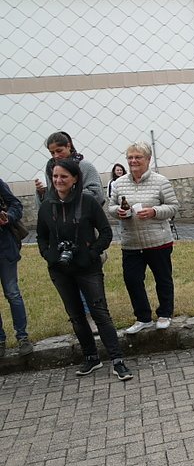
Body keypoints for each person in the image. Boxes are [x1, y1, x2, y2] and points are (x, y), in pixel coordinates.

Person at [36, 159, 133, 380]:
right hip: (60, 270)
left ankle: (117, 359)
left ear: (75, 179)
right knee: (76, 316)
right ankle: (91, 357)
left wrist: (91, 253)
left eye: (64, 177)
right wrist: (47, 254)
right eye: (55, 177)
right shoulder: (46, 205)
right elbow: (41, 236)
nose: (59, 181)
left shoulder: (87, 202)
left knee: (100, 313)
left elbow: (106, 233)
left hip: (87, 268)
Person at [109, 142, 179, 333]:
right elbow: (112, 206)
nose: (133, 161)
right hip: (131, 242)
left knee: (163, 278)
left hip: (158, 241)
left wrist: (154, 211)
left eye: (138, 157)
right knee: (132, 280)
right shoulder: (118, 183)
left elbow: (173, 206)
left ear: (148, 159)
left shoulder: (161, 181)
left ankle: (165, 314)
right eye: (130, 157)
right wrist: (119, 212)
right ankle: (143, 318)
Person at [0, 179, 33, 358]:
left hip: (4, 248)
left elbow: (16, 205)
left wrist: (7, 217)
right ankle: (0, 340)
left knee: (12, 293)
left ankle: (22, 337)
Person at [34, 132, 105, 208]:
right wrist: (41, 192)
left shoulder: (84, 166)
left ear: (68, 146)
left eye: (59, 151)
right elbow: (48, 201)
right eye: (52, 153)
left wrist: (67, 194)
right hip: (58, 217)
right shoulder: (50, 168)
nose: (56, 155)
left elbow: (97, 195)